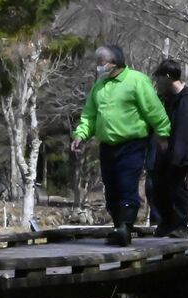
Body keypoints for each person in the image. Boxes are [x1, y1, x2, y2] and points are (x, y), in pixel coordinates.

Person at [71, 45, 172, 247]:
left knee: (127, 184)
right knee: (111, 188)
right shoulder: (99, 86)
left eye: (101, 63)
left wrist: (163, 134)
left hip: (132, 143)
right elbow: (90, 115)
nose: (98, 67)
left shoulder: (136, 80)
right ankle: (118, 226)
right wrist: (81, 134)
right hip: (107, 145)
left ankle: (126, 227)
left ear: (114, 63)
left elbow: (155, 110)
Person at [151, 59, 188, 237]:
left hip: (179, 154)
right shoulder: (167, 99)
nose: (157, 83)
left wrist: (177, 156)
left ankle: (180, 225)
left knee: (177, 189)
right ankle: (166, 223)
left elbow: (185, 131)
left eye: (160, 78)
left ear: (169, 77)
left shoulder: (187, 100)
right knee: (159, 188)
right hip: (165, 153)